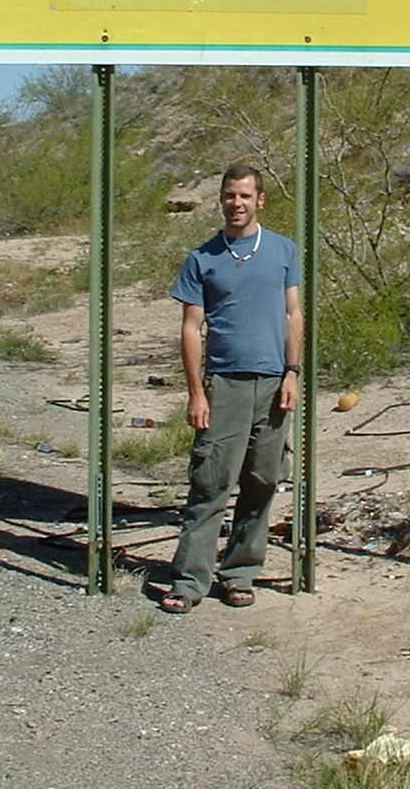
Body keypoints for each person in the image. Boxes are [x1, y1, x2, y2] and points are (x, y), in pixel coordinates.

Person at [160, 162, 302, 613]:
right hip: (225, 384)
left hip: (274, 383)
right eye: (229, 195)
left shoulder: (283, 250)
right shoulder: (202, 259)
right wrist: (196, 393)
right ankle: (188, 582)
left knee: (262, 481)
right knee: (211, 483)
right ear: (220, 200)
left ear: (260, 199)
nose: (236, 203)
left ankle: (240, 573)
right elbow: (190, 329)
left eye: (244, 195)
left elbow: (293, 314)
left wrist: (293, 372)